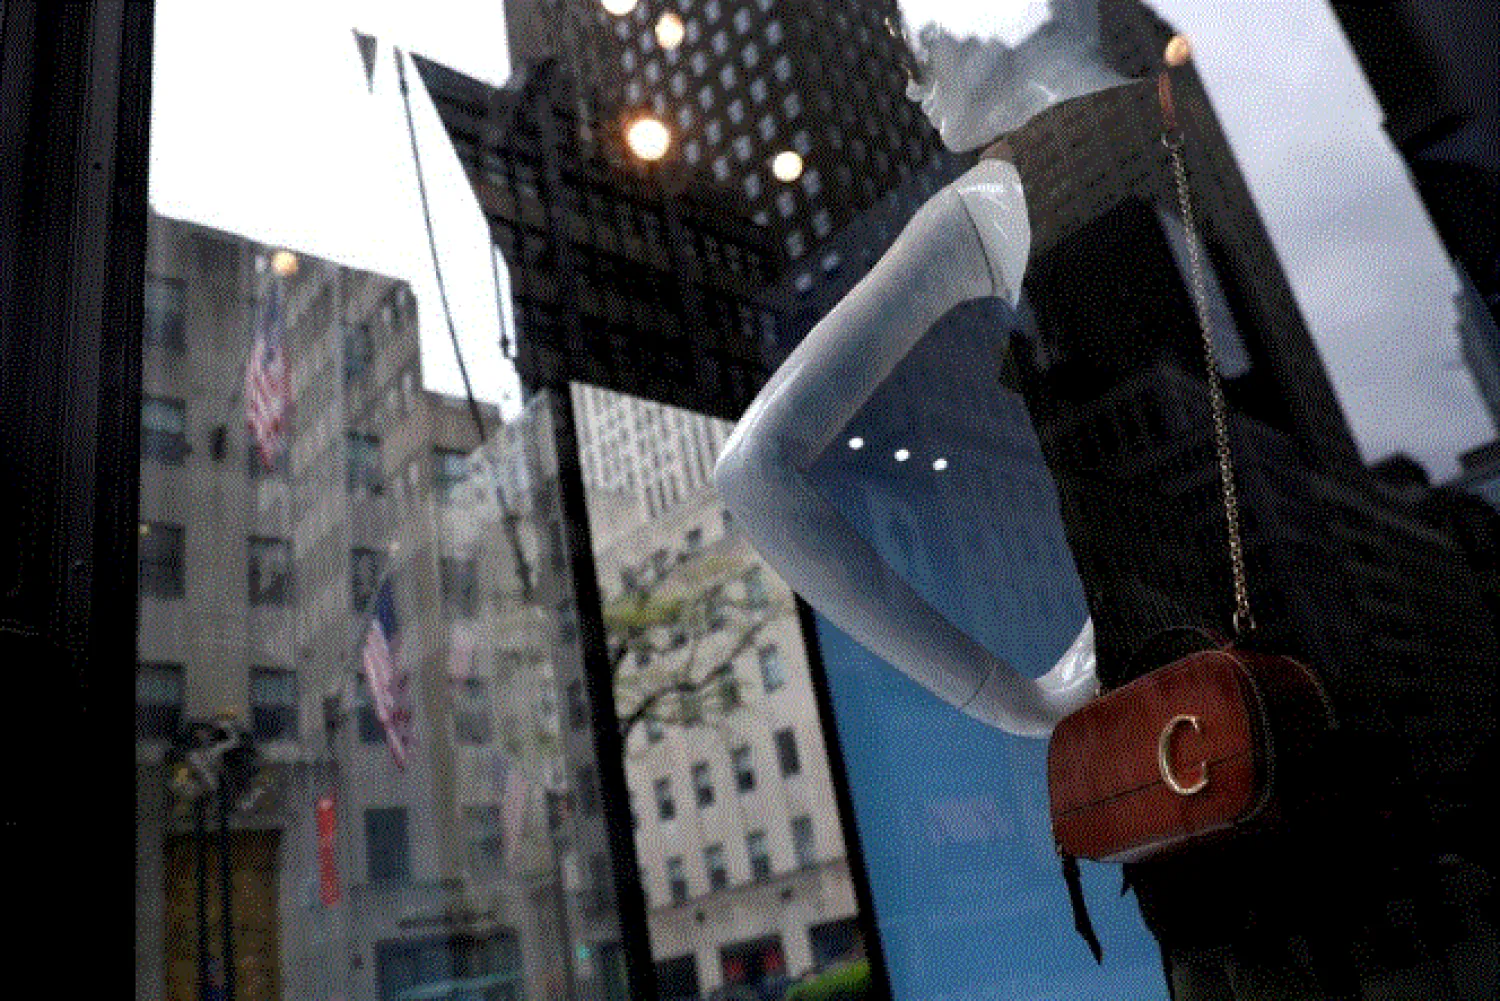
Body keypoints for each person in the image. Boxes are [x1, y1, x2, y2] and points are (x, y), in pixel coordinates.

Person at [715, 3, 1500, 997]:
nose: (912, 80)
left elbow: (755, 471)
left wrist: (1010, 696)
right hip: (1376, 753)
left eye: (914, 36)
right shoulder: (1195, 119)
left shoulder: (990, 203)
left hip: (1205, 770)